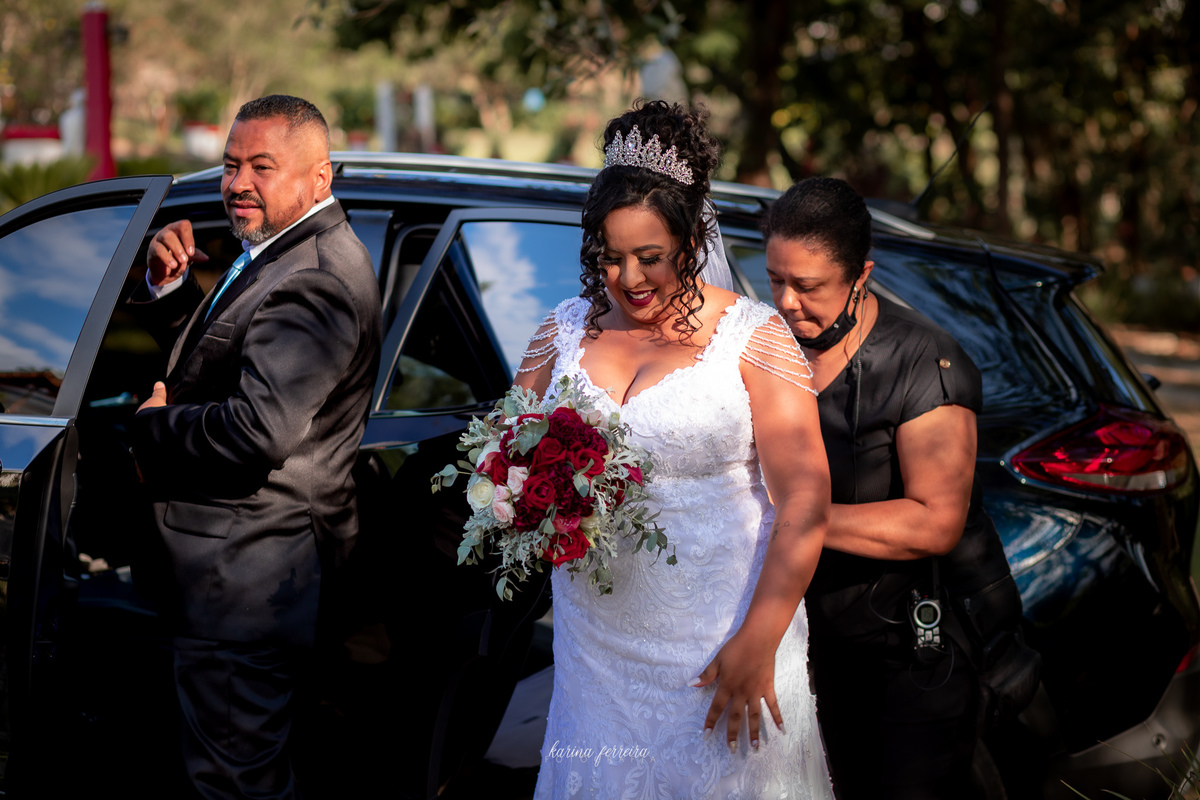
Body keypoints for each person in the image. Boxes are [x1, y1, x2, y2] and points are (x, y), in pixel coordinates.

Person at [515, 100, 834, 798]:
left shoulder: (754, 338)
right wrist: (528, 507)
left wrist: (760, 639)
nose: (629, 279)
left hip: (727, 644)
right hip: (598, 649)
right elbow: (513, 454)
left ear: (692, 242)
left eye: (650, 258)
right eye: (610, 257)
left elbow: (807, 501)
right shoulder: (560, 333)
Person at [129, 95, 382, 799]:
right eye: (231, 164)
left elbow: (256, 430)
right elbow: (233, 363)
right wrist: (174, 292)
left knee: (236, 787)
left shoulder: (315, 278)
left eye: (261, 167)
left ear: (319, 179)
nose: (237, 182)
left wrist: (154, 426)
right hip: (243, 575)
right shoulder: (282, 254)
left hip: (244, 580)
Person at [762, 176, 1006, 799]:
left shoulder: (924, 360)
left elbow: (935, 520)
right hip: (800, 651)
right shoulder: (765, 348)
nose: (787, 302)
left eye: (808, 286)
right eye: (775, 280)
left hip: (904, 659)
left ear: (861, 274)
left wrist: (796, 519)